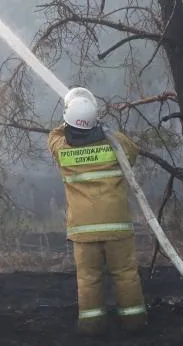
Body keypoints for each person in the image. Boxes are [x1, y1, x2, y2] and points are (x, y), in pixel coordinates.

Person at [47, 87, 147, 336]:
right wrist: (101, 126)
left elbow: (54, 134)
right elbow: (133, 153)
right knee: (125, 274)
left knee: (89, 278)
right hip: (117, 226)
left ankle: (92, 327)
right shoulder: (114, 144)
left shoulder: (62, 149)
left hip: (83, 231)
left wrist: (71, 113)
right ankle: (134, 323)